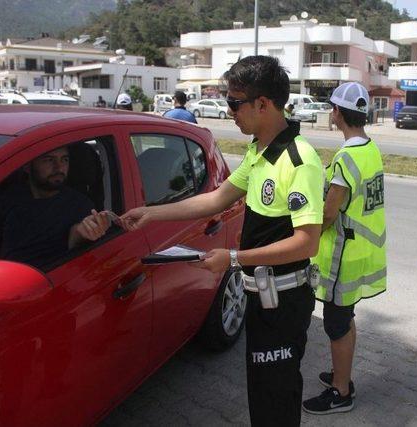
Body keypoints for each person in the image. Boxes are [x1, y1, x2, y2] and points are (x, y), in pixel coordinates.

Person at [120, 55, 324, 426]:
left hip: (284, 300)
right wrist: (151, 212)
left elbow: (306, 243)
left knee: (277, 396)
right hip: (261, 295)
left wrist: (232, 257)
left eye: (234, 102)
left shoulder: (299, 161)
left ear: (262, 104)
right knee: (262, 393)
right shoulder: (260, 149)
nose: (229, 111)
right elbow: (216, 198)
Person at [302, 82, 387, 415]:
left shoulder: (346, 157)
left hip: (342, 255)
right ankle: (342, 376)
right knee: (345, 318)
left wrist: (303, 237)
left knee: (335, 323)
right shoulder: (369, 148)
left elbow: (328, 212)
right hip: (361, 251)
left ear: (336, 113)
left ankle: (341, 392)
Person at [0, 146, 110, 269]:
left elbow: (76, 236)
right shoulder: (12, 197)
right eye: (49, 160)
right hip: (1, 281)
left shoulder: (80, 204)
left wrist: (85, 231)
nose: (59, 168)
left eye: (65, 160)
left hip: (44, 286)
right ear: (27, 166)